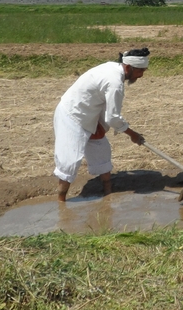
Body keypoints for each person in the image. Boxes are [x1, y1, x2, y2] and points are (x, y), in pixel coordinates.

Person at [53, 48, 148, 202]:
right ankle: (61, 203)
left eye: (144, 71)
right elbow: (113, 117)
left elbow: (103, 105)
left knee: (102, 151)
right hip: (72, 115)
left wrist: (100, 124)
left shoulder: (113, 68)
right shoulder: (115, 83)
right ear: (129, 67)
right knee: (69, 161)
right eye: (139, 71)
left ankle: (107, 194)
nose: (141, 75)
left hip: (91, 115)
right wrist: (132, 134)